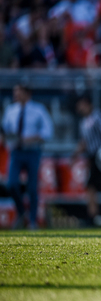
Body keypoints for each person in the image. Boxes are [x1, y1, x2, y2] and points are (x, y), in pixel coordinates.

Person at [1, 84, 53, 229]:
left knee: (32, 188)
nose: (15, 95)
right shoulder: (11, 110)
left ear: (27, 93)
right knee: (11, 184)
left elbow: (48, 132)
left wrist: (33, 138)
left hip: (32, 151)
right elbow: (5, 130)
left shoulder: (38, 110)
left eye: (18, 92)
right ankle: (21, 212)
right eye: (14, 92)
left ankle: (32, 221)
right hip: (16, 152)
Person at [72, 95, 101, 227]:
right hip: (91, 156)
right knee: (91, 186)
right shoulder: (84, 121)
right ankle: (93, 215)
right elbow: (84, 142)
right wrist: (75, 154)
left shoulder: (97, 116)